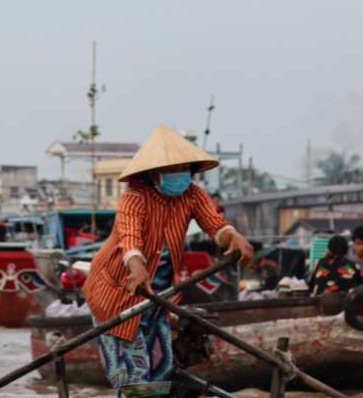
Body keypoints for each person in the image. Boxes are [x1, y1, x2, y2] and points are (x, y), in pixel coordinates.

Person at [83, 125, 255, 397]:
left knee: (162, 367)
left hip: (157, 296)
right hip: (118, 292)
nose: (180, 175)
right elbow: (129, 237)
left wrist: (232, 236)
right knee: (135, 374)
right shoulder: (134, 198)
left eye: (184, 169)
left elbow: (215, 225)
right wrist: (136, 265)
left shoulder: (193, 195)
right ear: (153, 173)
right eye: (172, 170)